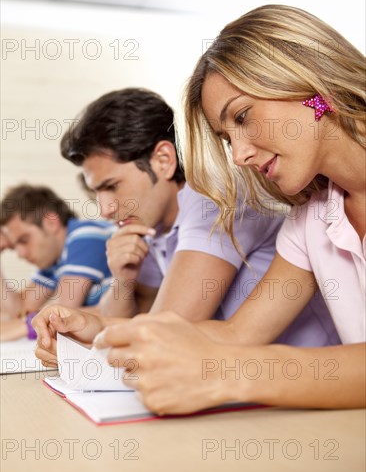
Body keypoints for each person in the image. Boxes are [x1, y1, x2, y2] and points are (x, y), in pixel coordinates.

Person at [40, 4, 364, 414]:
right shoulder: (312, 218)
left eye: (243, 116)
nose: (241, 155)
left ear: (312, 82)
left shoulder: (215, 206)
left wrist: (226, 372)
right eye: (227, 139)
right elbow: (236, 334)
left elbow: (226, 350)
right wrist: (100, 328)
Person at [32, 86, 341, 364]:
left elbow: (163, 331)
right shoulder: (152, 226)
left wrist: (95, 331)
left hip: (311, 383)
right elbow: (137, 315)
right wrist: (122, 281)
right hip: (246, 384)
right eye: (97, 192)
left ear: (163, 160)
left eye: (112, 186)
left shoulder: (215, 200)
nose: (105, 208)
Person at [0, 184, 113, 340]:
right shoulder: (55, 260)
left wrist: (24, 325)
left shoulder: (85, 235)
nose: (21, 254)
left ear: (51, 223)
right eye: (15, 246)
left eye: (24, 241)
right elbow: (18, 310)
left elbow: (61, 315)